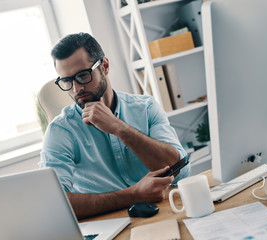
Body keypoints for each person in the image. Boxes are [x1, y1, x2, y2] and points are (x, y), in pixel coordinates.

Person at [39, 32, 190, 219]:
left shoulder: (146, 108)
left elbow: (180, 171)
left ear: (104, 66)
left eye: (83, 75)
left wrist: (118, 127)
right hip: (107, 225)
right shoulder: (60, 131)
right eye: (67, 81)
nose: (76, 89)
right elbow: (54, 205)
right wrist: (133, 195)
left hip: (163, 214)